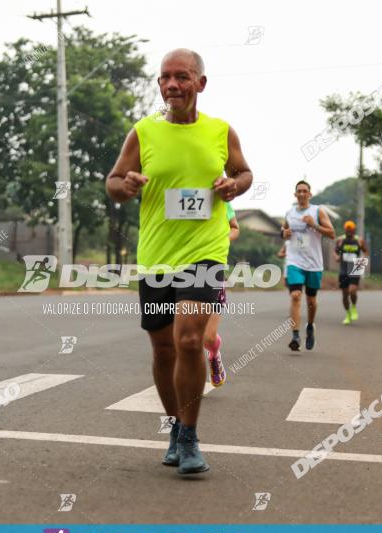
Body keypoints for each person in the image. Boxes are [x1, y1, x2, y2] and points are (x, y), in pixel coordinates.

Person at [105, 48, 253, 475]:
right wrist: (125, 186)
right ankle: (174, 426)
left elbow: (245, 173)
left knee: (190, 339)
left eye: (182, 77)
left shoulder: (221, 131)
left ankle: (189, 436)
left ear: (200, 83)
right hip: (156, 256)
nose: (173, 85)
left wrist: (233, 186)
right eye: (166, 77)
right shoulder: (143, 133)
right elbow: (113, 182)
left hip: (205, 252)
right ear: (159, 84)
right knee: (163, 346)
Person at [281, 181, 335, 350]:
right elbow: (284, 232)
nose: (302, 194)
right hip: (294, 261)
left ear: (310, 194)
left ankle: (310, 326)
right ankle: (295, 336)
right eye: (299, 191)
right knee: (296, 295)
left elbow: (332, 233)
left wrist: (314, 225)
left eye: (305, 191)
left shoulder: (318, 211)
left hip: (313, 263)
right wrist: (284, 233)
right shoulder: (289, 213)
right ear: (295, 194)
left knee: (311, 300)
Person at [202, 202, 239, 388]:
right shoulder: (175, 190)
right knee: (184, 333)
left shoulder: (220, 198)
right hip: (180, 267)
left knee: (207, 338)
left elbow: (234, 228)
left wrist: (222, 238)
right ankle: (188, 379)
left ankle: (214, 355)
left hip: (212, 269)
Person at [333, 220, 368, 324]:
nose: (349, 231)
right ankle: (348, 314)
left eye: (350, 229)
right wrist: (336, 257)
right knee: (344, 295)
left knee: (352, 290)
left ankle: (353, 307)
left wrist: (363, 260)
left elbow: (365, 251)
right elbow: (335, 251)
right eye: (347, 229)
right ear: (345, 229)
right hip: (343, 269)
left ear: (354, 230)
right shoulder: (340, 240)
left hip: (355, 268)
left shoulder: (359, 241)